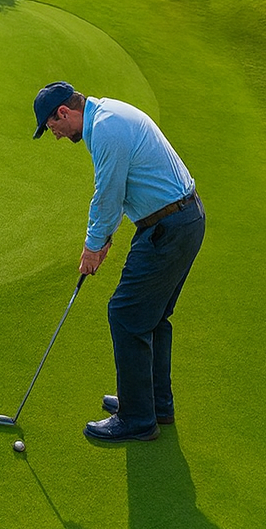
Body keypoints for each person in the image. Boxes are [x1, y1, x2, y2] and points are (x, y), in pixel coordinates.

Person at [33, 80, 206, 443]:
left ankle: (137, 418)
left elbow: (108, 193)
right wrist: (108, 238)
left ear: (64, 112)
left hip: (168, 227)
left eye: (54, 127)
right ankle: (154, 404)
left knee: (125, 315)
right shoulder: (107, 116)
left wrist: (93, 246)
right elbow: (124, 188)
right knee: (153, 317)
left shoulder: (106, 129)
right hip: (182, 220)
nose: (58, 136)